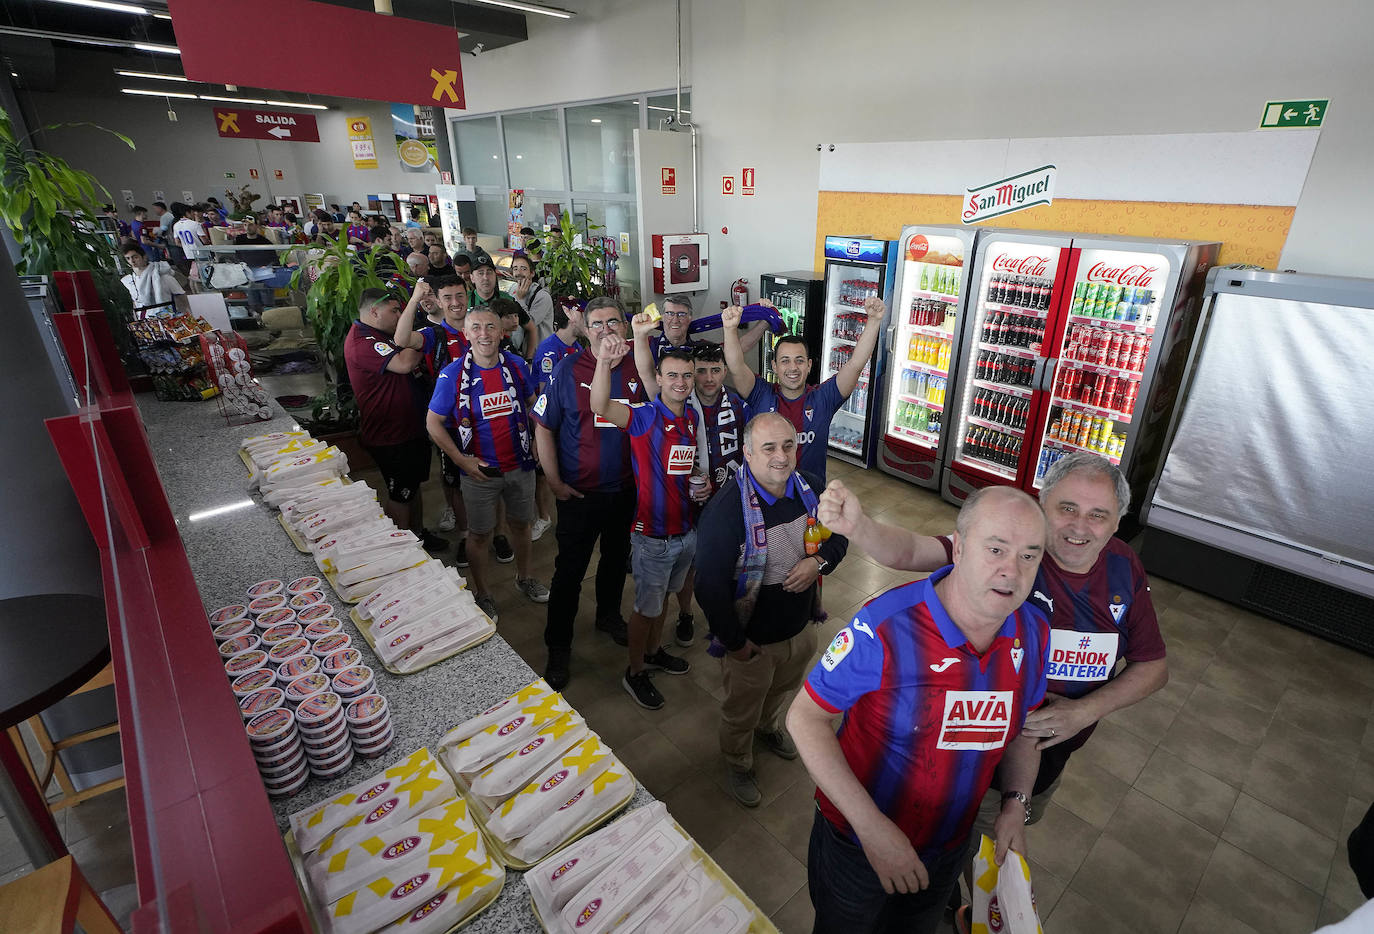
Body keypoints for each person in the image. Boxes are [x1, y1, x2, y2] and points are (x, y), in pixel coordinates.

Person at [817, 450, 1168, 923]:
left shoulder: (1062, 609)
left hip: (1010, 775)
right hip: (891, 815)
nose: (1079, 527)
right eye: (1067, 508)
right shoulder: (990, 557)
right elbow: (909, 551)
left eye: (1098, 515)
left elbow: (1149, 666)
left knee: (957, 880)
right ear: (1043, 506)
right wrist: (859, 528)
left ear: (1117, 522)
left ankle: (957, 908)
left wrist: (1024, 790)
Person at [788, 486, 1051, 934]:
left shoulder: (1034, 631)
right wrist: (874, 830)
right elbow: (804, 717)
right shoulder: (885, 627)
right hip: (857, 845)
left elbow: (1024, 728)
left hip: (949, 845)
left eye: (1030, 555)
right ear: (960, 547)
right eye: (995, 549)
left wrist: (1014, 804)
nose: (1012, 571)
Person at [696, 412, 847, 807]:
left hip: (801, 627)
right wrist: (736, 645)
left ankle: (768, 727)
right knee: (741, 708)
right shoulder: (726, 512)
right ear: (747, 453)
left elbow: (840, 539)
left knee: (781, 690)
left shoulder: (811, 489)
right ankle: (738, 760)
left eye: (788, 445)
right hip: (753, 643)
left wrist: (818, 563)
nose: (781, 456)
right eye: (769, 448)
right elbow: (708, 587)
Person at [532, 298, 645, 688]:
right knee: (569, 572)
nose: (606, 329)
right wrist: (553, 481)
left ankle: (608, 616)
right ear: (586, 329)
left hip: (626, 491)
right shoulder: (567, 369)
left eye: (613, 321)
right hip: (579, 494)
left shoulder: (640, 366)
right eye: (596, 323)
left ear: (625, 326)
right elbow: (544, 427)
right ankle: (558, 647)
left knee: (616, 559)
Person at [590, 340, 705, 710]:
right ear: (658, 378)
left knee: (666, 600)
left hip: (685, 532)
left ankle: (654, 653)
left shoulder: (691, 418)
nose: (681, 382)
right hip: (652, 538)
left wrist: (700, 487)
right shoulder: (644, 416)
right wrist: (605, 362)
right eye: (672, 375)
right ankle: (634, 671)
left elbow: (683, 470)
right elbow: (599, 406)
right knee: (645, 609)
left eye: (687, 375)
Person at [426, 302, 550, 622]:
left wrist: (537, 436)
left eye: (490, 327)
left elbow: (532, 402)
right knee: (479, 535)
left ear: (502, 332)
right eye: (476, 328)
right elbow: (433, 423)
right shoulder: (452, 375)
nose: (484, 334)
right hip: (479, 471)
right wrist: (460, 460)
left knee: (521, 525)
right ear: (466, 333)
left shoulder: (517, 366)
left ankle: (524, 578)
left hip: (520, 466)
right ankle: (483, 593)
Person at [631, 321, 751, 647]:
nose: (708, 378)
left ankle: (728, 617)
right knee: (688, 571)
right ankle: (686, 614)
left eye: (716, 370)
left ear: (726, 371)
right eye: (701, 371)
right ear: (691, 373)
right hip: (687, 502)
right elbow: (646, 373)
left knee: (730, 562)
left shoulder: (739, 405)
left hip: (728, 500)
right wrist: (640, 336)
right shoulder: (680, 403)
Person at [723, 294, 883, 485]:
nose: (792, 368)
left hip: (810, 497)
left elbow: (856, 364)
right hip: (765, 495)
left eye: (799, 361)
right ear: (774, 366)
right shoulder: (761, 395)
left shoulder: (824, 398)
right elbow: (735, 365)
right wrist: (730, 329)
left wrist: (874, 320)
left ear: (809, 365)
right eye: (785, 361)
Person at [342, 288, 447, 552]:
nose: (400, 315)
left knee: (413, 486)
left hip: (410, 428)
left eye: (401, 310)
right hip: (390, 435)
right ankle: (400, 549)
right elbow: (403, 363)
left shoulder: (381, 334)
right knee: (400, 493)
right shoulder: (362, 340)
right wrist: (428, 335)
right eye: (395, 310)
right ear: (374, 311)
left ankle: (418, 534)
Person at [393, 278, 471, 563]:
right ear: (438, 301)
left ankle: (496, 534)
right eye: (447, 297)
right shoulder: (435, 335)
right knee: (456, 480)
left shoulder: (480, 326)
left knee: (493, 479)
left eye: (460, 295)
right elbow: (401, 340)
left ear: (468, 295)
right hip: (449, 424)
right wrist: (414, 300)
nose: (455, 302)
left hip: (486, 420)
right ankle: (465, 535)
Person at [527, 300, 584, 544]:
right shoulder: (550, 350)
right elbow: (543, 397)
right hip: (553, 427)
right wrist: (541, 436)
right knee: (543, 475)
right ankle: (543, 516)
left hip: (572, 428)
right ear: (572, 316)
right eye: (585, 314)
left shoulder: (579, 347)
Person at [646, 294, 766, 364]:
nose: (675, 319)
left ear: (690, 318)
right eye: (670, 313)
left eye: (681, 314)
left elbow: (740, 347)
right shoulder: (647, 345)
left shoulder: (701, 349)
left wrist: (766, 319)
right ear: (662, 317)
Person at [119, 240, 184, 312]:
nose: (132, 261)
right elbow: (135, 302)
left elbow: (181, 297)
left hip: (167, 316)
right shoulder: (130, 281)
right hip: (145, 319)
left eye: (135, 257)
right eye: (128, 258)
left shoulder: (163, 276)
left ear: (144, 257)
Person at [234, 217, 277, 312]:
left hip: (263, 274)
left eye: (250, 225)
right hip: (248, 274)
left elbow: (273, 258)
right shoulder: (239, 240)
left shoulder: (265, 242)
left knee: (267, 300)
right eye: (245, 225)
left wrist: (266, 267)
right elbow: (237, 256)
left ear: (256, 226)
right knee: (253, 301)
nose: (248, 227)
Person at [511, 253, 554, 343]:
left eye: (523, 269)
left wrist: (520, 300)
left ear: (532, 273)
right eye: (515, 269)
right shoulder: (512, 290)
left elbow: (530, 324)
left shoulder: (543, 297)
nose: (519, 273)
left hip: (539, 351)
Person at [171, 202, 210, 274]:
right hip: (201, 253)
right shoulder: (195, 224)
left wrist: (187, 246)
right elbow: (205, 241)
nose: (193, 214)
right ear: (187, 213)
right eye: (192, 213)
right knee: (205, 274)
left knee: (194, 274)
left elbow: (177, 242)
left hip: (188, 254)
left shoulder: (176, 225)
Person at [499, 296, 537, 362]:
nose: (514, 320)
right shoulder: (501, 345)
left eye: (516, 316)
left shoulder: (508, 342)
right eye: (508, 317)